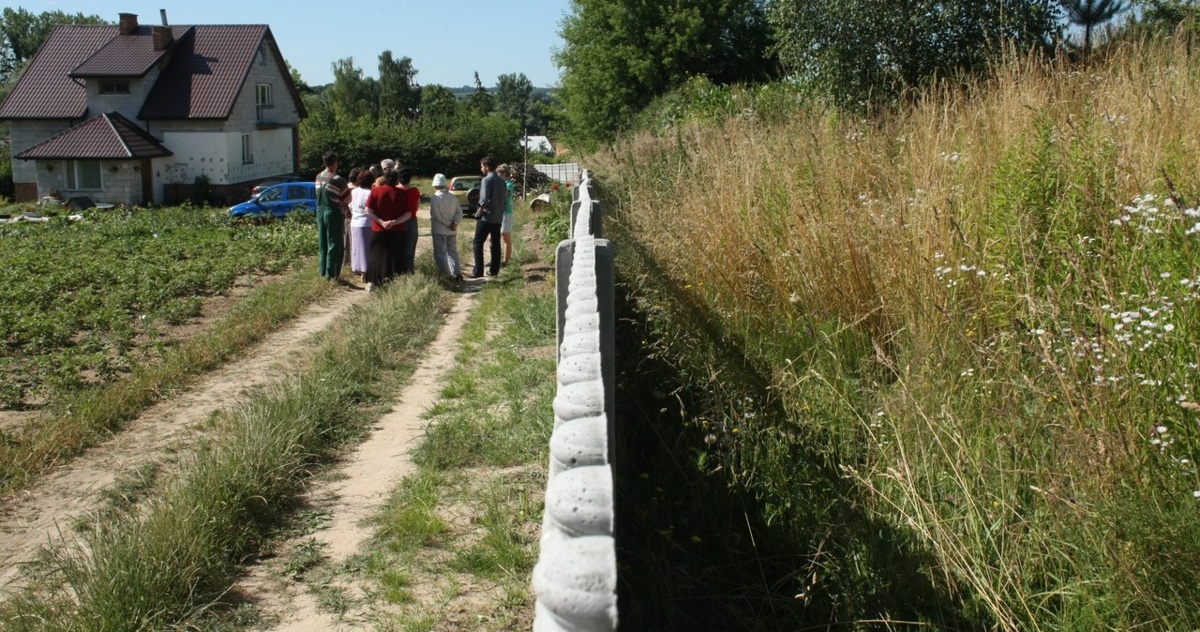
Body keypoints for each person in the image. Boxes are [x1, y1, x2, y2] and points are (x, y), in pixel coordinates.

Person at [363, 169, 411, 290]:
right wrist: (394, 222)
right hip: (397, 230)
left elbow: (368, 211)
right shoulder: (402, 193)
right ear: (397, 180)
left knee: (376, 256)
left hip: (379, 230)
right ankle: (394, 282)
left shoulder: (375, 191)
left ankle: (373, 281)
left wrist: (381, 222)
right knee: (395, 257)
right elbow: (408, 214)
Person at [315, 151, 351, 282]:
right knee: (334, 244)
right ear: (335, 162)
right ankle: (332, 274)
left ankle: (323, 271)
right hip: (333, 213)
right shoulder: (338, 179)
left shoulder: (318, 177)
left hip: (320, 212)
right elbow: (347, 198)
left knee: (323, 243)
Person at [471, 156, 505, 278]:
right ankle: (494, 271)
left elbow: (484, 198)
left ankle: (478, 270)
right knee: (496, 244)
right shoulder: (502, 181)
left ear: (486, 166)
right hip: (498, 217)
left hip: (487, 216)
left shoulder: (486, 180)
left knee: (477, 242)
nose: (481, 169)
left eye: (481, 166)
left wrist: (479, 211)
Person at [428, 173, 463, 282]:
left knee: (440, 253)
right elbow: (459, 213)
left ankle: (445, 275)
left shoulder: (435, 198)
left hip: (439, 229)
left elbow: (436, 215)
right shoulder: (453, 197)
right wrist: (454, 223)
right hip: (452, 230)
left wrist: (448, 223)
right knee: (452, 251)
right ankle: (457, 273)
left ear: (435, 185)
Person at [348, 168, 374, 281]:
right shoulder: (369, 193)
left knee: (357, 248)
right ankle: (366, 272)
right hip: (367, 223)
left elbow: (350, 206)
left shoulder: (353, 192)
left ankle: (358, 269)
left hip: (354, 222)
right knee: (367, 249)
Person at [396, 167, 421, 274]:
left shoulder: (395, 190)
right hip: (411, 221)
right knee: (410, 249)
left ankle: (398, 270)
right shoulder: (415, 191)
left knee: (398, 248)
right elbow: (417, 207)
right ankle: (409, 270)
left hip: (397, 221)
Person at [497, 163, 515, 266]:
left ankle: (505, 261)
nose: (499, 174)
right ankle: (496, 259)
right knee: (493, 238)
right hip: (498, 213)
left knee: (505, 237)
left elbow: (505, 193)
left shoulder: (508, 184)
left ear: (505, 173)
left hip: (506, 213)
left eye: (501, 173)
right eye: (498, 172)